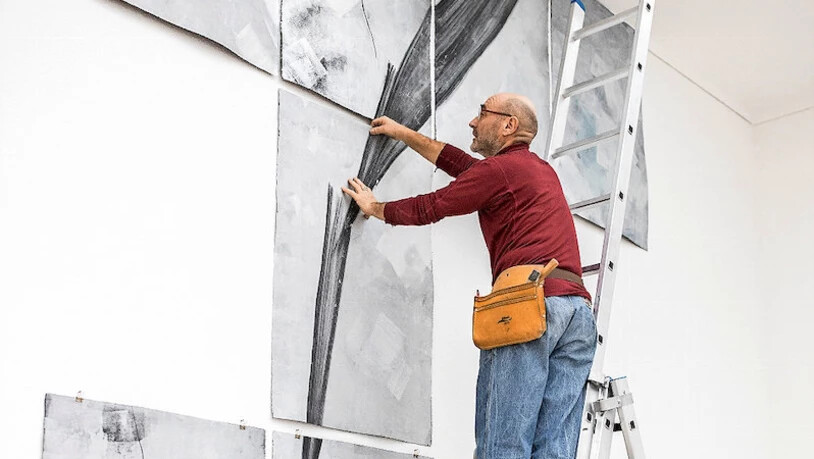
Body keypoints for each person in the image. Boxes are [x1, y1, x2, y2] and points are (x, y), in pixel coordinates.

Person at [341, 93, 597, 459]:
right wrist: (402, 133)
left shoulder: (500, 171)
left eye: (482, 113)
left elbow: (434, 205)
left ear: (508, 125)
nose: (473, 122)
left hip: (529, 307)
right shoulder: (533, 170)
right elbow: (458, 163)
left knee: (503, 446)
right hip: (578, 315)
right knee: (554, 450)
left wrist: (376, 207)